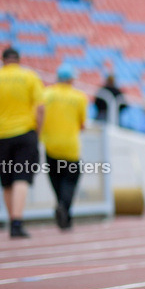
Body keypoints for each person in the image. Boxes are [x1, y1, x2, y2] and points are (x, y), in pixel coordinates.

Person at [0, 47, 45, 238]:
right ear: (19, 60)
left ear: (3, 60)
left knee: (6, 181)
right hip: (25, 133)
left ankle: (13, 223)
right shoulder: (30, 77)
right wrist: (38, 133)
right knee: (22, 178)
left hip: (0, 136)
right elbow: (41, 109)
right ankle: (17, 221)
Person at [42, 64, 88, 230]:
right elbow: (82, 125)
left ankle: (64, 213)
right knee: (70, 182)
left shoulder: (46, 94)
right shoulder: (79, 97)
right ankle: (63, 207)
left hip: (50, 146)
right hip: (70, 147)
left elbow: (38, 116)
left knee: (56, 181)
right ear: (70, 79)